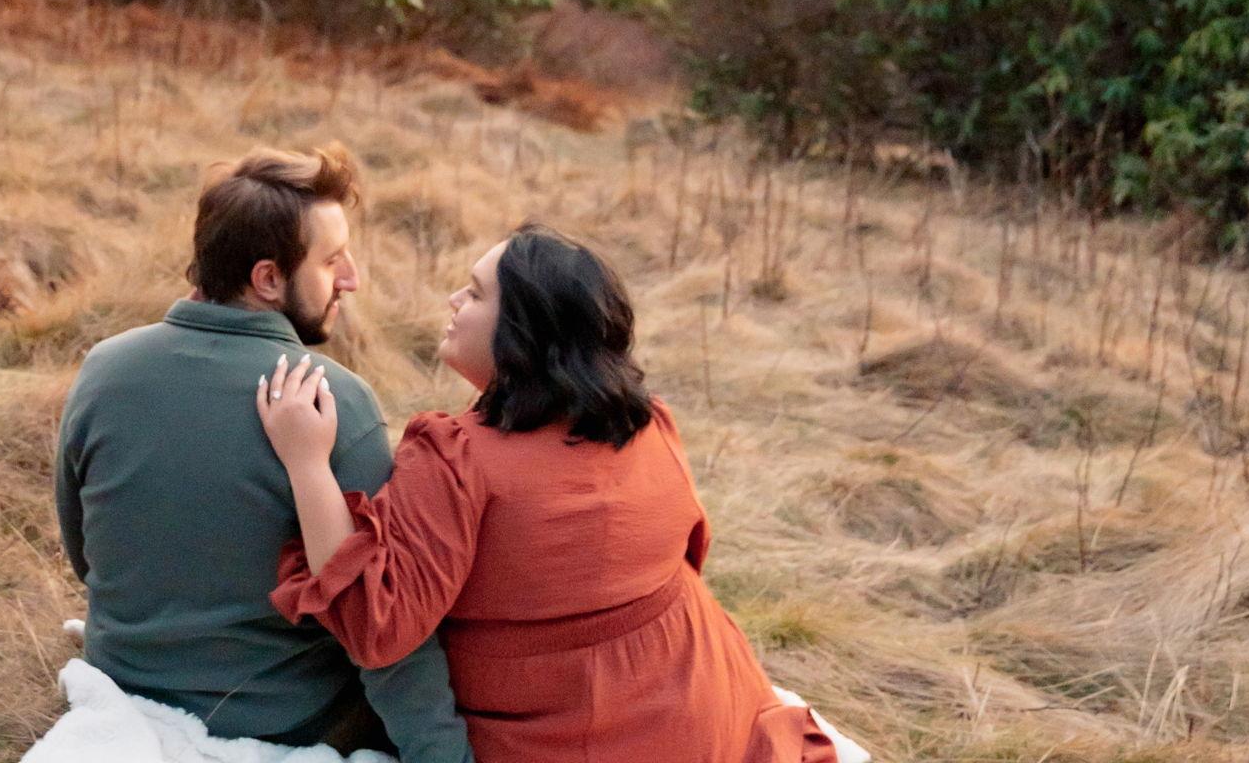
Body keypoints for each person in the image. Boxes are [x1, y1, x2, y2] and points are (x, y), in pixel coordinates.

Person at [256, 223, 839, 763]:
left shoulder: (457, 458)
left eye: (475, 293)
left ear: (524, 330)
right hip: (714, 706)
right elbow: (689, 551)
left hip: (573, 739)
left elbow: (376, 627)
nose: (454, 300)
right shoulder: (650, 422)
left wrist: (307, 464)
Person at [55, 144, 474, 762]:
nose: (351, 278)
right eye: (331, 261)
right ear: (269, 279)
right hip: (281, 722)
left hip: (125, 686)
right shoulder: (337, 403)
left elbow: (85, 556)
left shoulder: (102, 369)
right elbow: (383, 629)